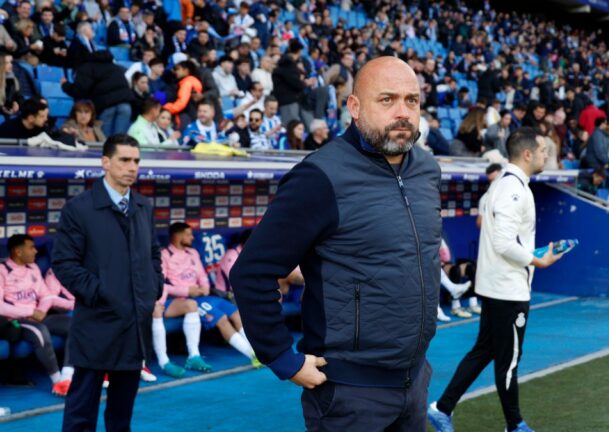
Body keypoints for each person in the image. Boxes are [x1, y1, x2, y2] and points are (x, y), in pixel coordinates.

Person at [230, 56, 442, 431]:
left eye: (412, 100)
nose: (403, 111)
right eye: (387, 99)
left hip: (414, 383)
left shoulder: (426, 170)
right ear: (355, 107)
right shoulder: (320, 176)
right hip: (349, 393)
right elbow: (253, 272)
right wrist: (283, 359)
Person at [428, 127, 563, 432]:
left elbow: (503, 238)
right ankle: (514, 424)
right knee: (509, 360)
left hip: (496, 285)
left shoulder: (500, 185)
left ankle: (442, 408)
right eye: (542, 150)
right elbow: (503, 242)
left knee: (484, 351)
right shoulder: (515, 189)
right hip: (507, 289)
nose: (546, 155)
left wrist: (531, 252)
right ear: (527, 154)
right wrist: (536, 259)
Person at [54, 135, 164, 432]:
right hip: (96, 323)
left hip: (135, 325)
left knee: (121, 415)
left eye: (136, 161)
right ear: (105, 162)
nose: (132, 167)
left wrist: (154, 287)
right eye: (124, 160)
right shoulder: (79, 208)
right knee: (81, 413)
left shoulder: (143, 206)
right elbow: (64, 263)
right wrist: (102, 293)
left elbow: (153, 252)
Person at [162, 222, 260, 366]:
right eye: (188, 234)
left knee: (236, 314)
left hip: (203, 295)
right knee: (222, 319)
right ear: (178, 236)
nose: (192, 238)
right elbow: (161, 285)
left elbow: (202, 276)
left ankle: (258, 350)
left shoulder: (193, 252)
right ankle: (252, 355)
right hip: (183, 300)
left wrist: (205, 287)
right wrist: (187, 291)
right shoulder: (163, 254)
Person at [0, 234, 74, 396]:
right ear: (18, 252)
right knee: (40, 332)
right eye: (31, 248)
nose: (35, 251)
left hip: (38, 315)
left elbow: (46, 295)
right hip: (16, 320)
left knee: (75, 326)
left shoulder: (33, 268)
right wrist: (30, 312)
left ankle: (67, 377)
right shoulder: (2, 270)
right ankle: (57, 382)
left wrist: (39, 312)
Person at [62, 50, 134, 137]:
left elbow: (80, 91)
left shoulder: (87, 67)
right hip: (125, 105)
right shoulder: (116, 67)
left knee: (104, 141)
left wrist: (65, 85)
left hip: (106, 105)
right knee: (119, 139)